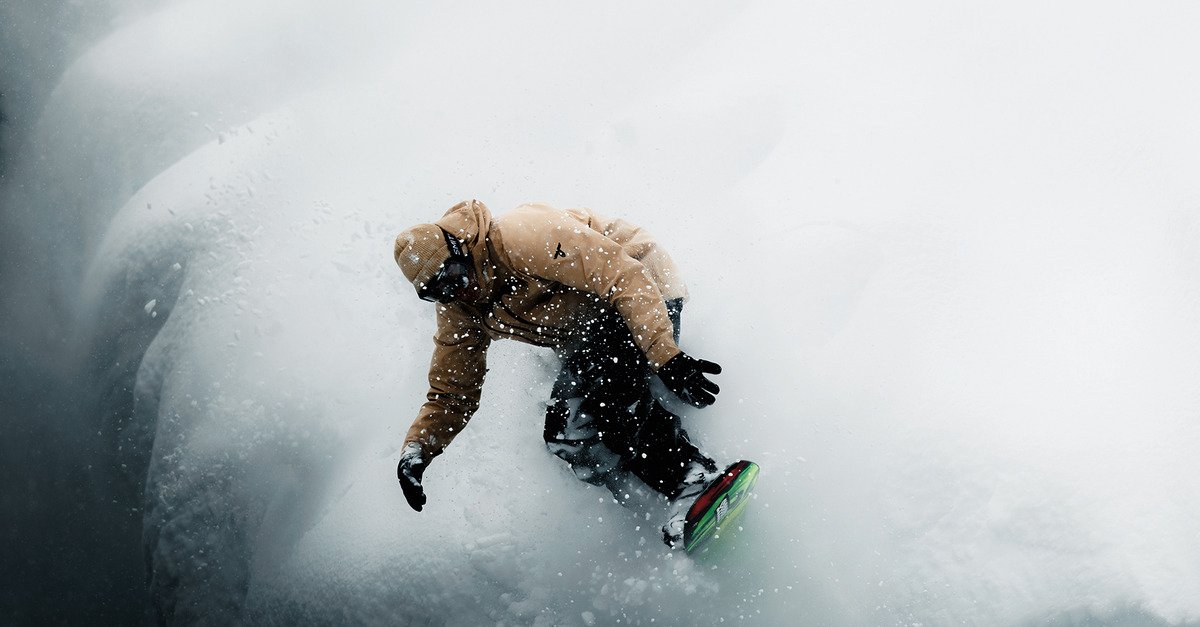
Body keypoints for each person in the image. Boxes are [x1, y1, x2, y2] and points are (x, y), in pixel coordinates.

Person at [393, 199, 725, 547]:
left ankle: (695, 478)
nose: (461, 292)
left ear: (461, 249)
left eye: (456, 278)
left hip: (642, 288)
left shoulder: (521, 237)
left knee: (606, 403)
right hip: (591, 334)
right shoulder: (461, 309)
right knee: (567, 435)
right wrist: (419, 448)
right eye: (440, 293)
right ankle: (650, 503)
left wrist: (664, 356)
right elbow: (454, 392)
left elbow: (622, 275)